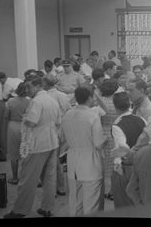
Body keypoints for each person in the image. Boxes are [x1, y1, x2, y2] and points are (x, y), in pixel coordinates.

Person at [4, 76, 61, 218]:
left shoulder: (36, 102)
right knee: (49, 178)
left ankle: (20, 210)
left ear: (37, 87)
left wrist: (24, 119)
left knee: (27, 178)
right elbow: (58, 121)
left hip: (37, 144)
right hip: (51, 142)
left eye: (29, 87)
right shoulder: (52, 100)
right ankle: (47, 208)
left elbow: (31, 122)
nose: (26, 90)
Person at [61, 86, 108, 216]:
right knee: (91, 201)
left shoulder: (68, 114)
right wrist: (105, 138)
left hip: (73, 159)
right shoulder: (92, 116)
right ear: (89, 98)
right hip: (90, 161)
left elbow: (63, 138)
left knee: (75, 199)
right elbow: (98, 144)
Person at [110, 92, 146, 208]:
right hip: (143, 164)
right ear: (129, 103)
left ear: (115, 107)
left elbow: (122, 149)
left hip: (126, 169)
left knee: (124, 203)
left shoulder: (117, 126)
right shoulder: (141, 120)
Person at [43, 75, 72, 196]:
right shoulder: (62, 96)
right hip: (61, 130)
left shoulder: (44, 97)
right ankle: (61, 187)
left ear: (45, 84)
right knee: (57, 160)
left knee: (50, 162)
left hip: (49, 131)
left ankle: (53, 189)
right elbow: (68, 111)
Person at [5, 82, 30, 185]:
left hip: (13, 126)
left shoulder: (10, 101)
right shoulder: (29, 102)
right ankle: (26, 177)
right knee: (26, 152)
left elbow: (6, 116)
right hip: (25, 126)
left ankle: (15, 177)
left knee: (13, 153)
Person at [99, 79, 120, 201]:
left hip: (102, 132)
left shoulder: (100, 103)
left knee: (102, 164)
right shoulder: (117, 102)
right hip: (115, 133)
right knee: (112, 164)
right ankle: (112, 191)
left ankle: (103, 190)